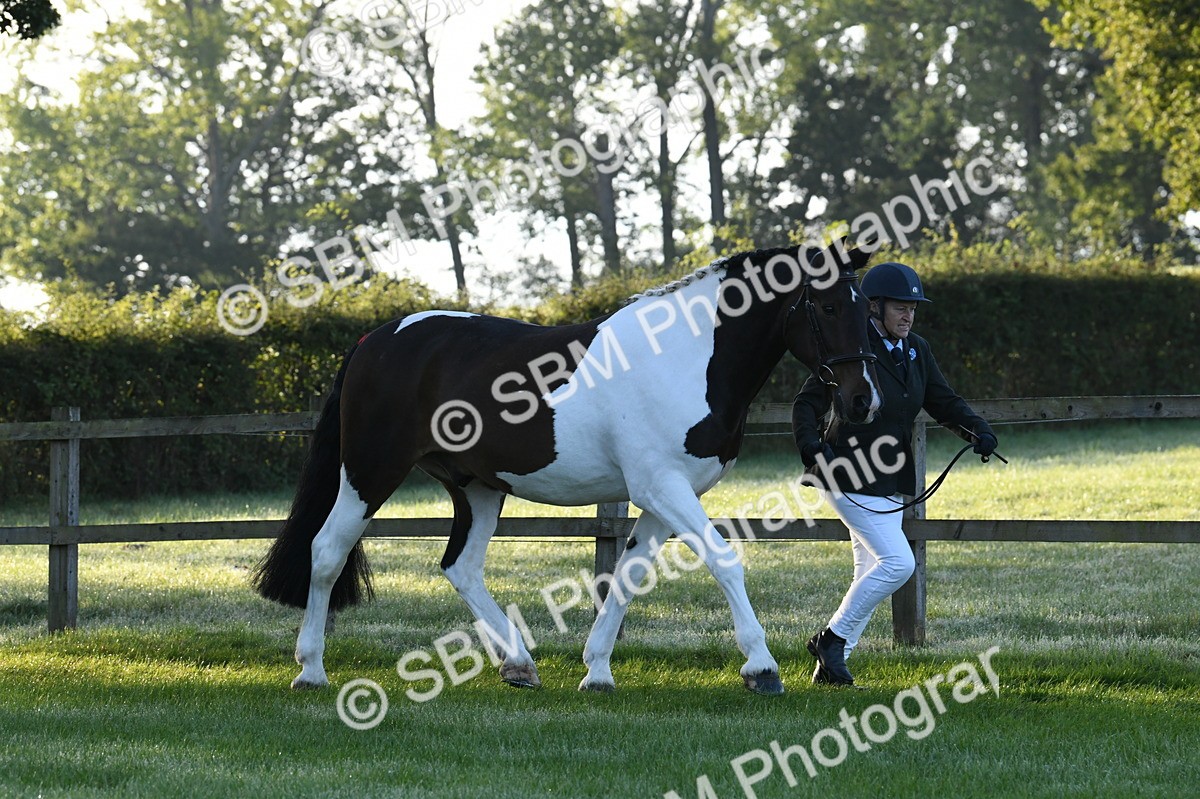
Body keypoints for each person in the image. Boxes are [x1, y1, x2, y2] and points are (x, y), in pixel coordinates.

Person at [791, 261, 997, 686]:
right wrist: (811, 447)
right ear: (875, 308)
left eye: (913, 309)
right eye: (901, 308)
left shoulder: (917, 349)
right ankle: (830, 640)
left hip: (891, 479)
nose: (908, 316)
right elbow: (805, 403)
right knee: (898, 563)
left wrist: (977, 428)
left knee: (868, 571)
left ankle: (830, 670)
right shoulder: (853, 346)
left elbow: (942, 399)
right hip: (845, 473)